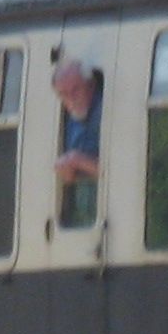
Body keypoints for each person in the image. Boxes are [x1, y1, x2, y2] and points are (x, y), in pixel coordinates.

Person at [49, 56, 103, 230]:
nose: (71, 98)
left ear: (90, 86)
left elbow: (121, 174)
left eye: (76, 90)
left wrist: (77, 161)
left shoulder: (105, 112)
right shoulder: (70, 121)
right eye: (64, 94)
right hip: (79, 218)